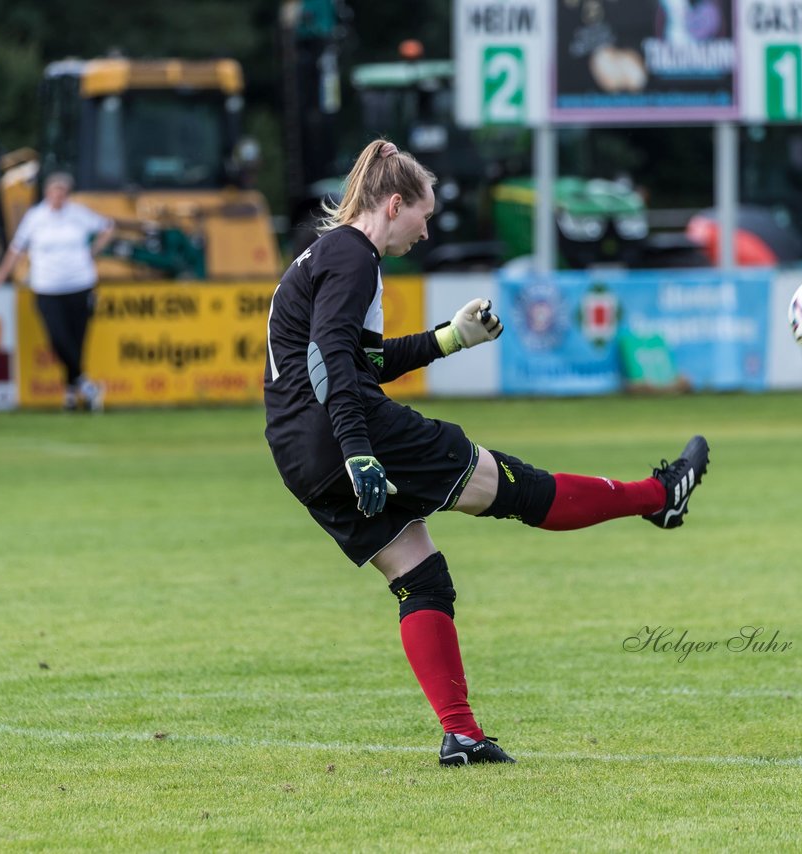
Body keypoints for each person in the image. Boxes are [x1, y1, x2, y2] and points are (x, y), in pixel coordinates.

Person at [263, 139, 710, 767]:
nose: (426, 230)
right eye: (425, 214)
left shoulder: (326, 255)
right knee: (516, 488)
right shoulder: (353, 255)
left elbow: (361, 360)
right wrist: (359, 450)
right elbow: (336, 360)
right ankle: (659, 497)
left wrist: (449, 338)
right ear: (394, 204)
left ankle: (463, 737)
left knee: (421, 578)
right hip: (347, 435)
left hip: (299, 455)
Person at [0, 172, 114, 411]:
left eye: (63, 191)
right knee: (58, 338)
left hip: (80, 284)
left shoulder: (78, 214)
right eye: (55, 191)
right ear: (47, 193)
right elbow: (16, 248)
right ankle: (86, 386)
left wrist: (92, 251)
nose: (59, 196)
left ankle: (70, 393)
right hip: (47, 287)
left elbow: (107, 227)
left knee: (77, 340)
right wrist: (1, 274)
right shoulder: (35, 217)